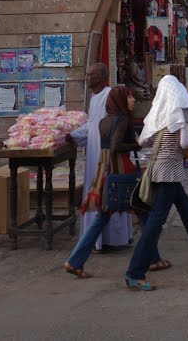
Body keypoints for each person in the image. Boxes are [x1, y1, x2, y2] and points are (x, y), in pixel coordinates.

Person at [125, 76, 188, 291]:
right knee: (156, 221)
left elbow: (143, 142)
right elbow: (184, 142)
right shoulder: (180, 112)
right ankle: (135, 272)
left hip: (159, 167)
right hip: (171, 170)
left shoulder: (157, 112)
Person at [63, 86, 170, 278]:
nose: (133, 100)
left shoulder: (105, 120)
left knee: (104, 218)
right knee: (143, 213)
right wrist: (137, 144)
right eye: (129, 96)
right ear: (121, 99)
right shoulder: (122, 120)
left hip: (107, 171)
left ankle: (75, 261)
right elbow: (116, 146)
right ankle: (153, 259)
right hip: (123, 173)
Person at [68, 64, 133, 251]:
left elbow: (116, 123)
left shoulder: (109, 95)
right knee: (98, 192)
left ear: (100, 77)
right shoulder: (94, 97)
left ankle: (114, 238)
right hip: (94, 152)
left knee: (109, 191)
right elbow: (91, 125)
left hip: (107, 153)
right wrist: (74, 134)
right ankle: (98, 239)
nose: (87, 78)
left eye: (90, 75)